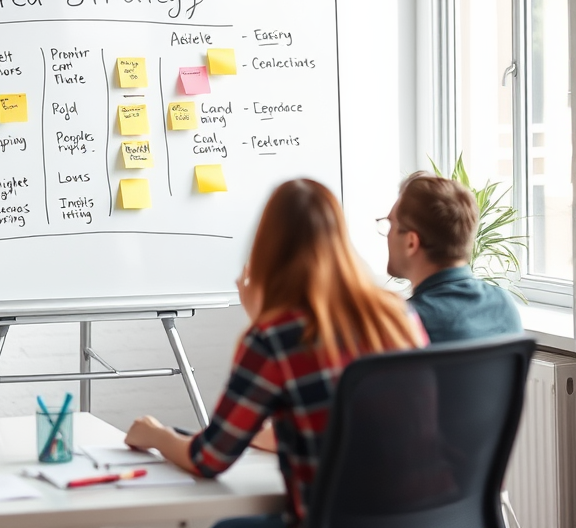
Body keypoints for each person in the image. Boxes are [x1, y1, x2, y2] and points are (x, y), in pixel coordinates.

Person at [124, 179, 428, 528]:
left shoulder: (274, 338)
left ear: (268, 246)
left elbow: (208, 459)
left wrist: (155, 434)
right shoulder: (399, 315)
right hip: (426, 518)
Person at [383, 172, 522, 343]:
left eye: (390, 224)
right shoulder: (503, 305)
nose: (387, 235)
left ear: (412, 242)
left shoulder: (403, 324)